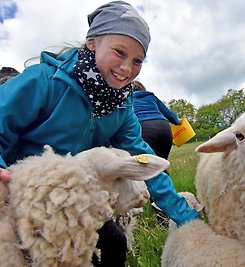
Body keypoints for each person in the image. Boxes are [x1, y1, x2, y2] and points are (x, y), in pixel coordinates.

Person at [0, 1, 198, 266]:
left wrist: (185, 217)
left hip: (74, 198)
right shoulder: (43, 81)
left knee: (114, 244)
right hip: (22, 194)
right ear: (92, 43)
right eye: (119, 52)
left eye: (137, 60)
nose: (127, 68)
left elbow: (142, 157)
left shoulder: (121, 108)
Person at [132, 80, 182, 161]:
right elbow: (167, 113)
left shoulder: (128, 100)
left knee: (148, 164)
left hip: (144, 129)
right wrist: (177, 121)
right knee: (162, 163)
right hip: (164, 127)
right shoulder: (151, 97)